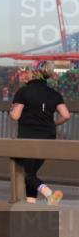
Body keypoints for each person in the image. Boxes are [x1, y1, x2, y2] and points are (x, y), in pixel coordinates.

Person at [10, 61, 70, 204]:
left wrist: (12, 109)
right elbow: (66, 115)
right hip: (48, 136)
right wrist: (54, 123)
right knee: (31, 173)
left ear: (35, 73)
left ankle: (49, 193)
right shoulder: (54, 94)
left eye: (30, 71)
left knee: (26, 171)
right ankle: (31, 204)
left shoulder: (23, 91)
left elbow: (16, 116)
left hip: (28, 137)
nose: (28, 73)